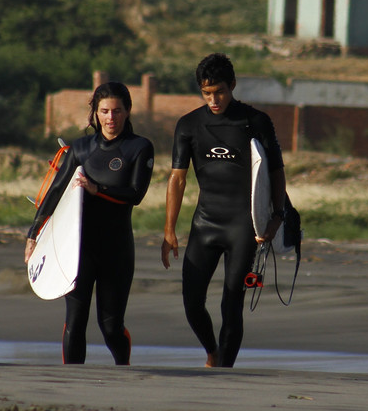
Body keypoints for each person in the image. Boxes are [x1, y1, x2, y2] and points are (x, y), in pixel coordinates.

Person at [161, 53, 286, 368]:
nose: (214, 100)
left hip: (244, 226)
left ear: (232, 85)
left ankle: (224, 374)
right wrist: (169, 229)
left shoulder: (256, 121)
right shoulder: (189, 125)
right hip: (206, 222)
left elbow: (275, 172)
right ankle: (212, 352)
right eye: (207, 93)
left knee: (232, 303)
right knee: (192, 302)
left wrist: (277, 216)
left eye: (219, 92)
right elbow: (177, 179)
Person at [24, 82, 154, 365]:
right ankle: (72, 381)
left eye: (117, 111)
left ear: (127, 111)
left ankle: (123, 369)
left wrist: (98, 189)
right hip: (78, 250)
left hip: (116, 250)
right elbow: (55, 192)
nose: (110, 118)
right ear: (95, 112)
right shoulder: (81, 149)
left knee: (111, 327)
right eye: (104, 111)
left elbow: (136, 194)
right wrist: (33, 234)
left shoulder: (139, 148)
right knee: (75, 321)